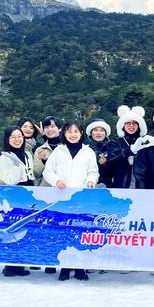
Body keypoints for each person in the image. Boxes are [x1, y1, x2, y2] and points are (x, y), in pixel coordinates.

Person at [43, 120, 99, 281]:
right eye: (69, 131)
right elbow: (48, 171)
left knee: (80, 232)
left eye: (76, 131)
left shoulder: (88, 152)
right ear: (64, 133)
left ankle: (81, 267)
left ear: (81, 133)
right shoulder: (59, 151)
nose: (73, 134)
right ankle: (65, 267)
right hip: (61, 197)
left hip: (81, 198)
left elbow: (93, 171)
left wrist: (91, 181)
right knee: (63, 233)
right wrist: (56, 181)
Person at [0, 126, 36, 277]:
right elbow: (10, 180)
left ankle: (20, 263)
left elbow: (30, 174)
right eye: (13, 137)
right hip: (13, 195)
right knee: (11, 228)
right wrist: (17, 165)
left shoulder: (27, 154)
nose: (17, 140)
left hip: (27, 192)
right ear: (7, 139)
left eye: (19, 136)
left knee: (24, 229)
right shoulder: (4, 158)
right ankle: (10, 266)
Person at [106, 105, 154, 188]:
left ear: (139, 125)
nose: (131, 126)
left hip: (143, 185)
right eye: (128, 123)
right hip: (121, 185)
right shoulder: (115, 142)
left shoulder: (145, 141)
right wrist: (129, 150)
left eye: (134, 123)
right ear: (122, 125)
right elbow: (111, 160)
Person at [33, 116, 63, 186]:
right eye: (46, 127)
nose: (50, 129)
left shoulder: (67, 147)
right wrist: (42, 161)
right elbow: (37, 174)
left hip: (65, 189)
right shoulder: (40, 149)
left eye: (53, 126)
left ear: (59, 129)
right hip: (46, 190)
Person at [85, 118, 113, 187]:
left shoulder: (112, 147)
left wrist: (106, 164)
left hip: (107, 188)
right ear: (91, 133)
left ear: (105, 133)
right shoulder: (84, 148)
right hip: (86, 186)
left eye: (102, 130)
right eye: (95, 130)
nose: (98, 133)